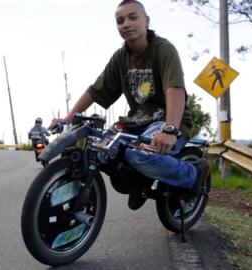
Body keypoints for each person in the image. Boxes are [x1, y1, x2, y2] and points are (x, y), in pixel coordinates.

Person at [49, 0, 210, 210]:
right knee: (101, 149)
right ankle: (138, 185)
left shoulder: (163, 49)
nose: (126, 24)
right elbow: (95, 90)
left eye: (132, 17)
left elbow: (175, 89)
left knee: (139, 153)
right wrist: (68, 118)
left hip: (168, 120)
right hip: (137, 121)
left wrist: (170, 130)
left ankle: (194, 173)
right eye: (120, 21)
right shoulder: (120, 57)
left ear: (146, 20)